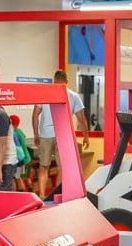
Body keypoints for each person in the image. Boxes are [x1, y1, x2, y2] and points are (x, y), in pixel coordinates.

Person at [32, 69, 90, 197]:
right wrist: (86, 137)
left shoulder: (45, 94)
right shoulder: (73, 96)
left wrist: (36, 134)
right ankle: (57, 196)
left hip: (46, 135)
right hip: (63, 135)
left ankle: (42, 195)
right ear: (66, 81)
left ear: (54, 80)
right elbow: (81, 119)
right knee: (62, 167)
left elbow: (35, 115)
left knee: (44, 167)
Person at [9, 114, 32, 192]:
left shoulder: (14, 133)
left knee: (17, 178)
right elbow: (24, 136)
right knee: (26, 177)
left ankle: (22, 193)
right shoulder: (19, 131)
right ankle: (31, 190)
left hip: (20, 158)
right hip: (27, 157)